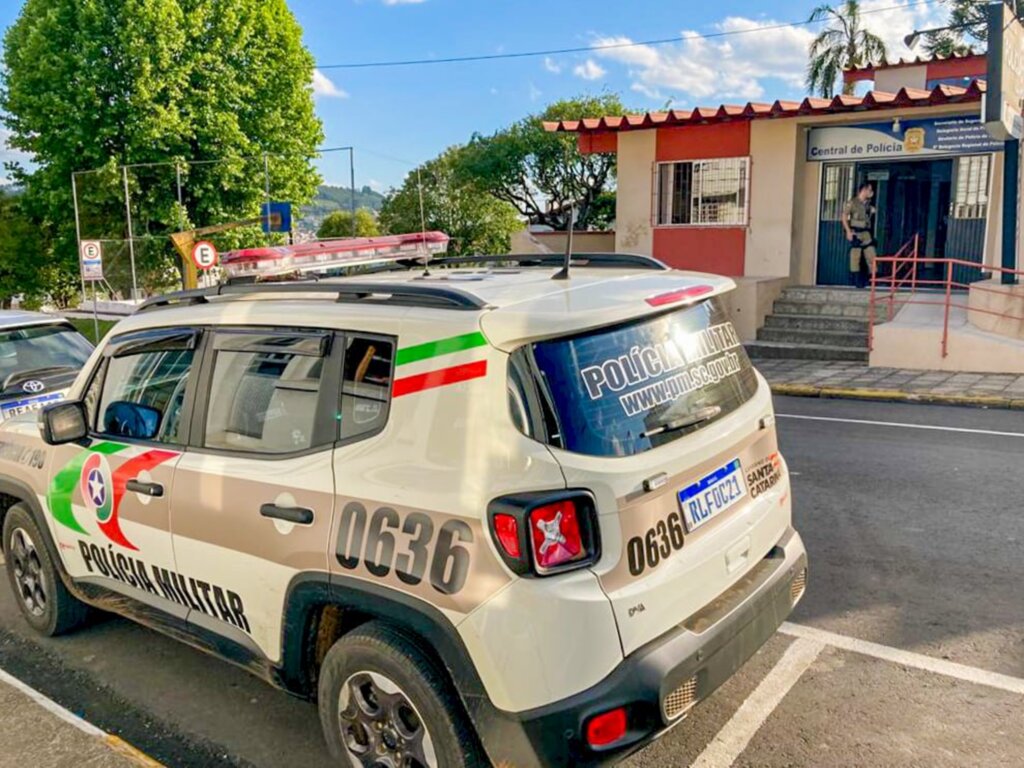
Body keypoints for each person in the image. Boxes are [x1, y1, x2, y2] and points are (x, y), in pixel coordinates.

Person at [842, 182, 877, 289]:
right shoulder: (852, 202)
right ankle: (856, 282)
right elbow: (844, 216)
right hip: (855, 232)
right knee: (855, 257)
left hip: (866, 233)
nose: (871, 192)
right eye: (869, 190)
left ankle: (873, 280)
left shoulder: (868, 204)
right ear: (864, 190)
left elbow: (872, 213)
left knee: (871, 255)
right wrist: (848, 231)